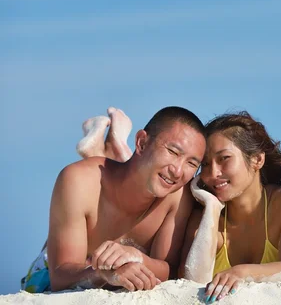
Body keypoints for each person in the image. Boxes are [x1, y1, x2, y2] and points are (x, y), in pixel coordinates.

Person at [21, 106, 206, 293]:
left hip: (123, 182)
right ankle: (106, 150)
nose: (178, 171)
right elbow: (59, 277)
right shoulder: (77, 180)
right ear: (141, 142)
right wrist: (103, 274)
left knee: (137, 174)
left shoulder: (178, 195)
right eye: (173, 152)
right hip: (50, 270)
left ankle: (110, 149)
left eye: (192, 163)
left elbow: (170, 270)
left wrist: (137, 257)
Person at [180, 112, 281, 303]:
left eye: (224, 158)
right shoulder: (203, 217)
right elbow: (192, 280)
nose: (213, 173)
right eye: (205, 164)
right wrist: (212, 209)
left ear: (257, 160)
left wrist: (241, 272)